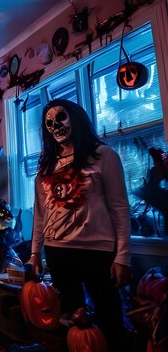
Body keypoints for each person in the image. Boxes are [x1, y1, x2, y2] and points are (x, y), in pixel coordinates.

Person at [27, 99, 131, 351]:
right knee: (69, 317)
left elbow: (120, 207)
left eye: (60, 117)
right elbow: (40, 214)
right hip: (57, 250)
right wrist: (34, 253)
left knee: (109, 316)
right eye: (49, 123)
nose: (55, 126)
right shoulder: (46, 165)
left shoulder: (103, 155)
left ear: (75, 117)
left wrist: (123, 257)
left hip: (97, 250)